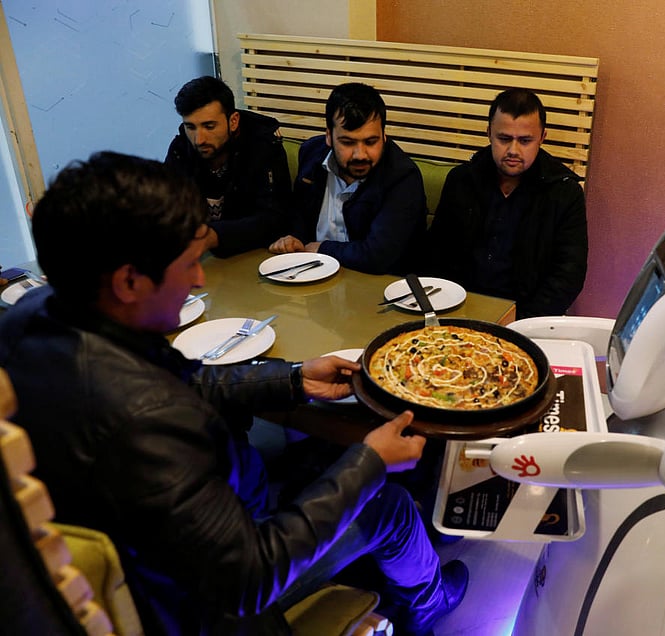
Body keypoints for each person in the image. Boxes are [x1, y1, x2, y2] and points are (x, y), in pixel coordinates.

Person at [0, 152, 467, 635]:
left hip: (176, 531)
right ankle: (430, 604)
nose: (199, 277)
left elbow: (179, 383)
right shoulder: (146, 423)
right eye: (186, 264)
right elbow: (250, 579)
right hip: (211, 606)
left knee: (309, 459)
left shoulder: (31, 316)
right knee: (390, 503)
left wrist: (289, 378)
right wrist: (370, 462)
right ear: (129, 281)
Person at [424, 88, 588, 318]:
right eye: (504, 139)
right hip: (457, 307)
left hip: (527, 316)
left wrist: (519, 320)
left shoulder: (564, 192)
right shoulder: (462, 180)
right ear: (489, 133)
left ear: (542, 138)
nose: (513, 150)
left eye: (525, 141)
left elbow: (568, 276)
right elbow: (436, 253)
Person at [269, 82, 427, 275]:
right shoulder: (311, 155)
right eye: (347, 142)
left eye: (371, 142)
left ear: (384, 137)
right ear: (329, 136)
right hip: (311, 278)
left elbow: (378, 256)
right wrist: (293, 239)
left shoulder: (402, 177)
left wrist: (322, 250)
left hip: (379, 288)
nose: (360, 154)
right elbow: (300, 217)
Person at [165, 76, 292, 257]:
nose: (198, 139)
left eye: (209, 126)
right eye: (190, 127)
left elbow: (274, 218)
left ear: (233, 121)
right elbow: (166, 208)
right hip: (199, 258)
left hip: (254, 255)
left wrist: (215, 235)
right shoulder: (180, 149)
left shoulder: (263, 147)